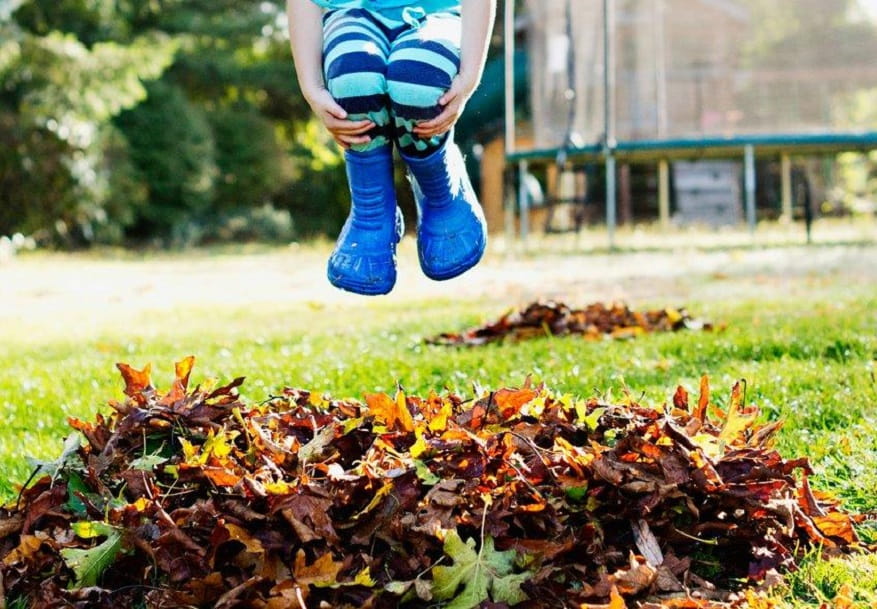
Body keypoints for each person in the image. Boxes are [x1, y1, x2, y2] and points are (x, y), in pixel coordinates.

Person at [287, 0, 496, 295]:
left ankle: (439, 188)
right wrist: (312, 88)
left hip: (435, 11)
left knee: (417, 82)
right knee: (354, 76)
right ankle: (371, 210)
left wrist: (469, 78)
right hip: (352, 11)